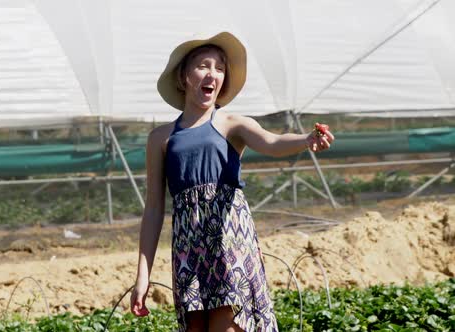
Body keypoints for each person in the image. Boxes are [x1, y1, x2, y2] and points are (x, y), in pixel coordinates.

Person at [130, 32, 334, 332]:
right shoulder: (160, 138)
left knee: (228, 325)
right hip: (188, 250)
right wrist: (142, 276)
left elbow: (272, 142)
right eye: (203, 65)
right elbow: (153, 210)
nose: (212, 73)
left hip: (229, 244)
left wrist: (306, 139)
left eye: (220, 68)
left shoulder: (232, 124)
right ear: (185, 76)